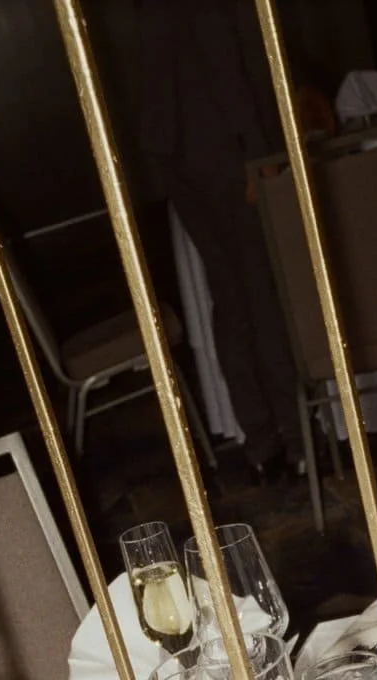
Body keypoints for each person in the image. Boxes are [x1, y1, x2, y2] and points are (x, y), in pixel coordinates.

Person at [131, 0, 303, 480]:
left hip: (180, 152)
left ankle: (265, 438)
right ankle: (289, 435)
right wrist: (256, 152)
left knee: (233, 298)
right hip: (218, 150)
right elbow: (223, 61)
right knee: (257, 295)